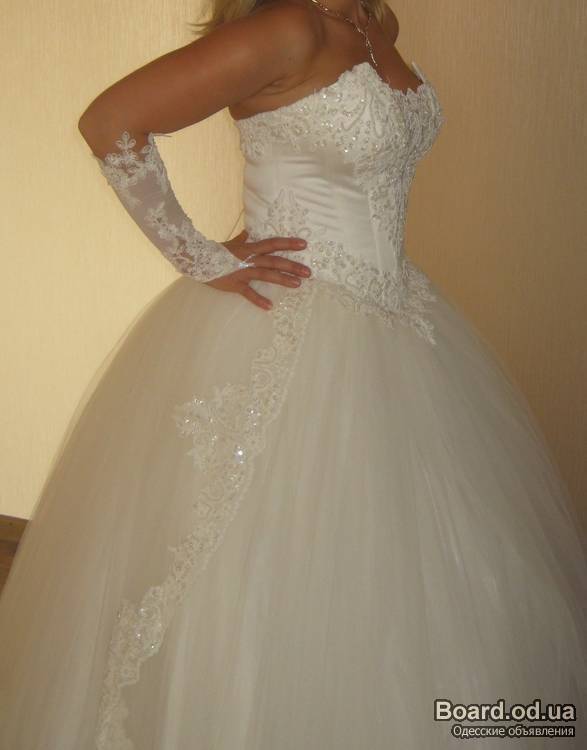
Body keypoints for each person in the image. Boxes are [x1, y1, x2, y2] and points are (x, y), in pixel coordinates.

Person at [1, 0, 586, 747]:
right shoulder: (287, 28)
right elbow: (110, 121)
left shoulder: (376, 21)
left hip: (398, 316)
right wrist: (201, 257)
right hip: (298, 322)